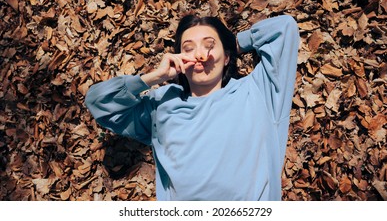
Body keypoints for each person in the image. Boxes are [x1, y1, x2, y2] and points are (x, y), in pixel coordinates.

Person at [85, 14, 300, 200]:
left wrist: (233, 45)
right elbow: (99, 102)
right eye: (188, 48)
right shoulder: (162, 104)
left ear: (226, 58)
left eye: (209, 45)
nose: (199, 54)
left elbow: (284, 28)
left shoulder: (259, 90)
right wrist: (155, 77)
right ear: (179, 58)